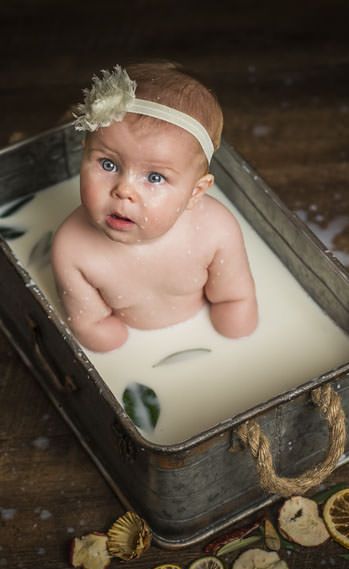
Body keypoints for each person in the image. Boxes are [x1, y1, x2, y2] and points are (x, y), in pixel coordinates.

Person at [51, 63, 258, 353]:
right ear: (84, 154)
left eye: (155, 177)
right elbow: (91, 324)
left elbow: (235, 298)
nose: (124, 190)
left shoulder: (215, 231)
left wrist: (239, 339)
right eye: (108, 164)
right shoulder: (72, 248)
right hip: (138, 348)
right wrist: (117, 351)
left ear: (195, 192)